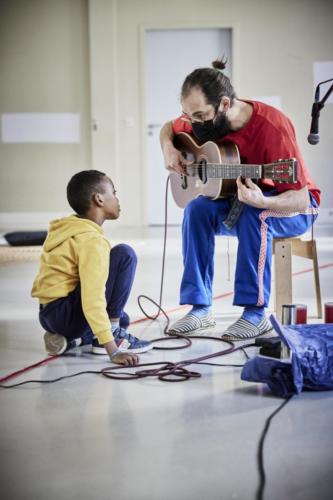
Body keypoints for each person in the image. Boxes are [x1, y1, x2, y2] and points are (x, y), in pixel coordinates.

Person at [160, 58, 320, 340]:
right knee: (197, 209)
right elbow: (168, 129)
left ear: (223, 104)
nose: (191, 123)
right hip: (240, 199)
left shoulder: (273, 127)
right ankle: (200, 308)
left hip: (293, 207)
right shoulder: (200, 119)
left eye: (198, 115)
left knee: (254, 215)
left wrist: (265, 202)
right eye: (188, 115)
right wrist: (169, 150)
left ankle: (256, 314)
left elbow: (300, 198)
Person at [31, 170, 153, 365]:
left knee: (123, 317)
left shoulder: (69, 228)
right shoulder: (92, 240)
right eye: (114, 193)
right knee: (124, 254)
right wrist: (113, 351)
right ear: (99, 199)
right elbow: (92, 297)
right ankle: (108, 335)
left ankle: (72, 341)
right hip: (66, 316)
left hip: (48, 315)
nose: (118, 199)